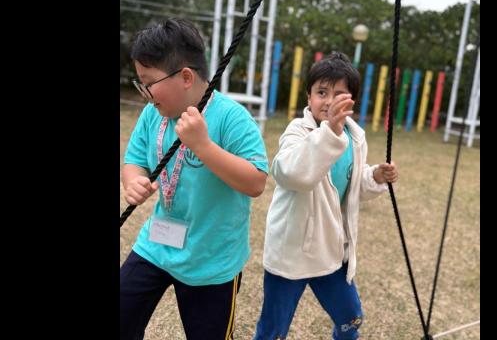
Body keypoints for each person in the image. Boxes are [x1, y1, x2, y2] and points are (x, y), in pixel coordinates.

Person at [120, 17, 269, 339]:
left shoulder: (232, 117)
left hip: (212, 261)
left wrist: (203, 146)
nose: (144, 93)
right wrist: (133, 181)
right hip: (157, 244)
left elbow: (256, 182)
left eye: (149, 82)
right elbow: (133, 160)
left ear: (186, 77)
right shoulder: (152, 114)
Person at [253, 52, 399, 339]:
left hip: (331, 250)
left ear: (352, 101)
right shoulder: (298, 131)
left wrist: (375, 177)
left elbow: (350, 185)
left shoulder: (355, 138)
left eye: (339, 94)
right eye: (322, 92)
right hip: (291, 252)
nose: (329, 101)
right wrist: (329, 131)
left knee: (351, 318)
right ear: (309, 96)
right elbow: (290, 173)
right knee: (273, 330)